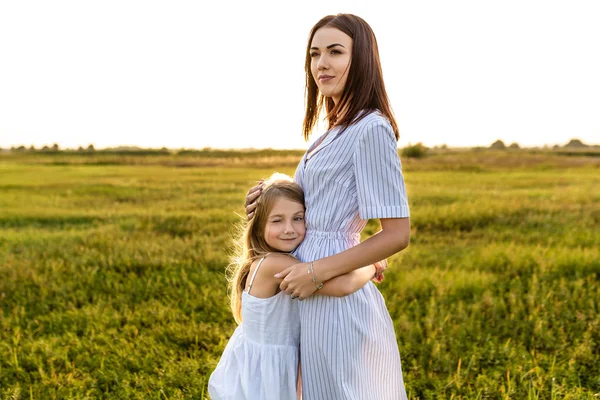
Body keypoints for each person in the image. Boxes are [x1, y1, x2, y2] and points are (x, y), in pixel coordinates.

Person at [244, 14, 411, 400]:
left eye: (335, 51)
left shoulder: (371, 128)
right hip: (310, 282)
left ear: (362, 59)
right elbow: (323, 196)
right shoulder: (333, 130)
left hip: (330, 284)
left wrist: (316, 272)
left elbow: (398, 233)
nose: (321, 63)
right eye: (314, 53)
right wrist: (269, 194)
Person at [209, 173, 377, 400]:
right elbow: (343, 286)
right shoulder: (276, 264)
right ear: (258, 227)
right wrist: (374, 265)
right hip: (264, 371)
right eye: (277, 220)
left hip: (264, 361)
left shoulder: (271, 258)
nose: (289, 228)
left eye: (298, 218)